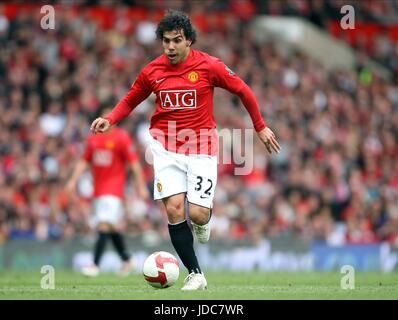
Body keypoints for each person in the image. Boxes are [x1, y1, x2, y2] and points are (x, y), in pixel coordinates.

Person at [90, 10, 281, 290]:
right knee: (175, 209)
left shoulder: (209, 66)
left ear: (188, 41)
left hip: (201, 147)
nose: (170, 46)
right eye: (166, 41)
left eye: (176, 40)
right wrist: (111, 119)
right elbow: (132, 99)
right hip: (165, 148)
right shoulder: (152, 71)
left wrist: (260, 126)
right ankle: (195, 273)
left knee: (199, 214)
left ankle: (203, 222)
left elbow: (243, 90)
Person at [66, 108, 149, 277]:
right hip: (98, 190)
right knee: (109, 226)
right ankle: (126, 258)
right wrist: (73, 180)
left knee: (103, 224)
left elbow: (133, 164)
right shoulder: (93, 139)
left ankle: (94, 264)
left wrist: (141, 186)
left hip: (114, 188)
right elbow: (84, 161)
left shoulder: (121, 138)